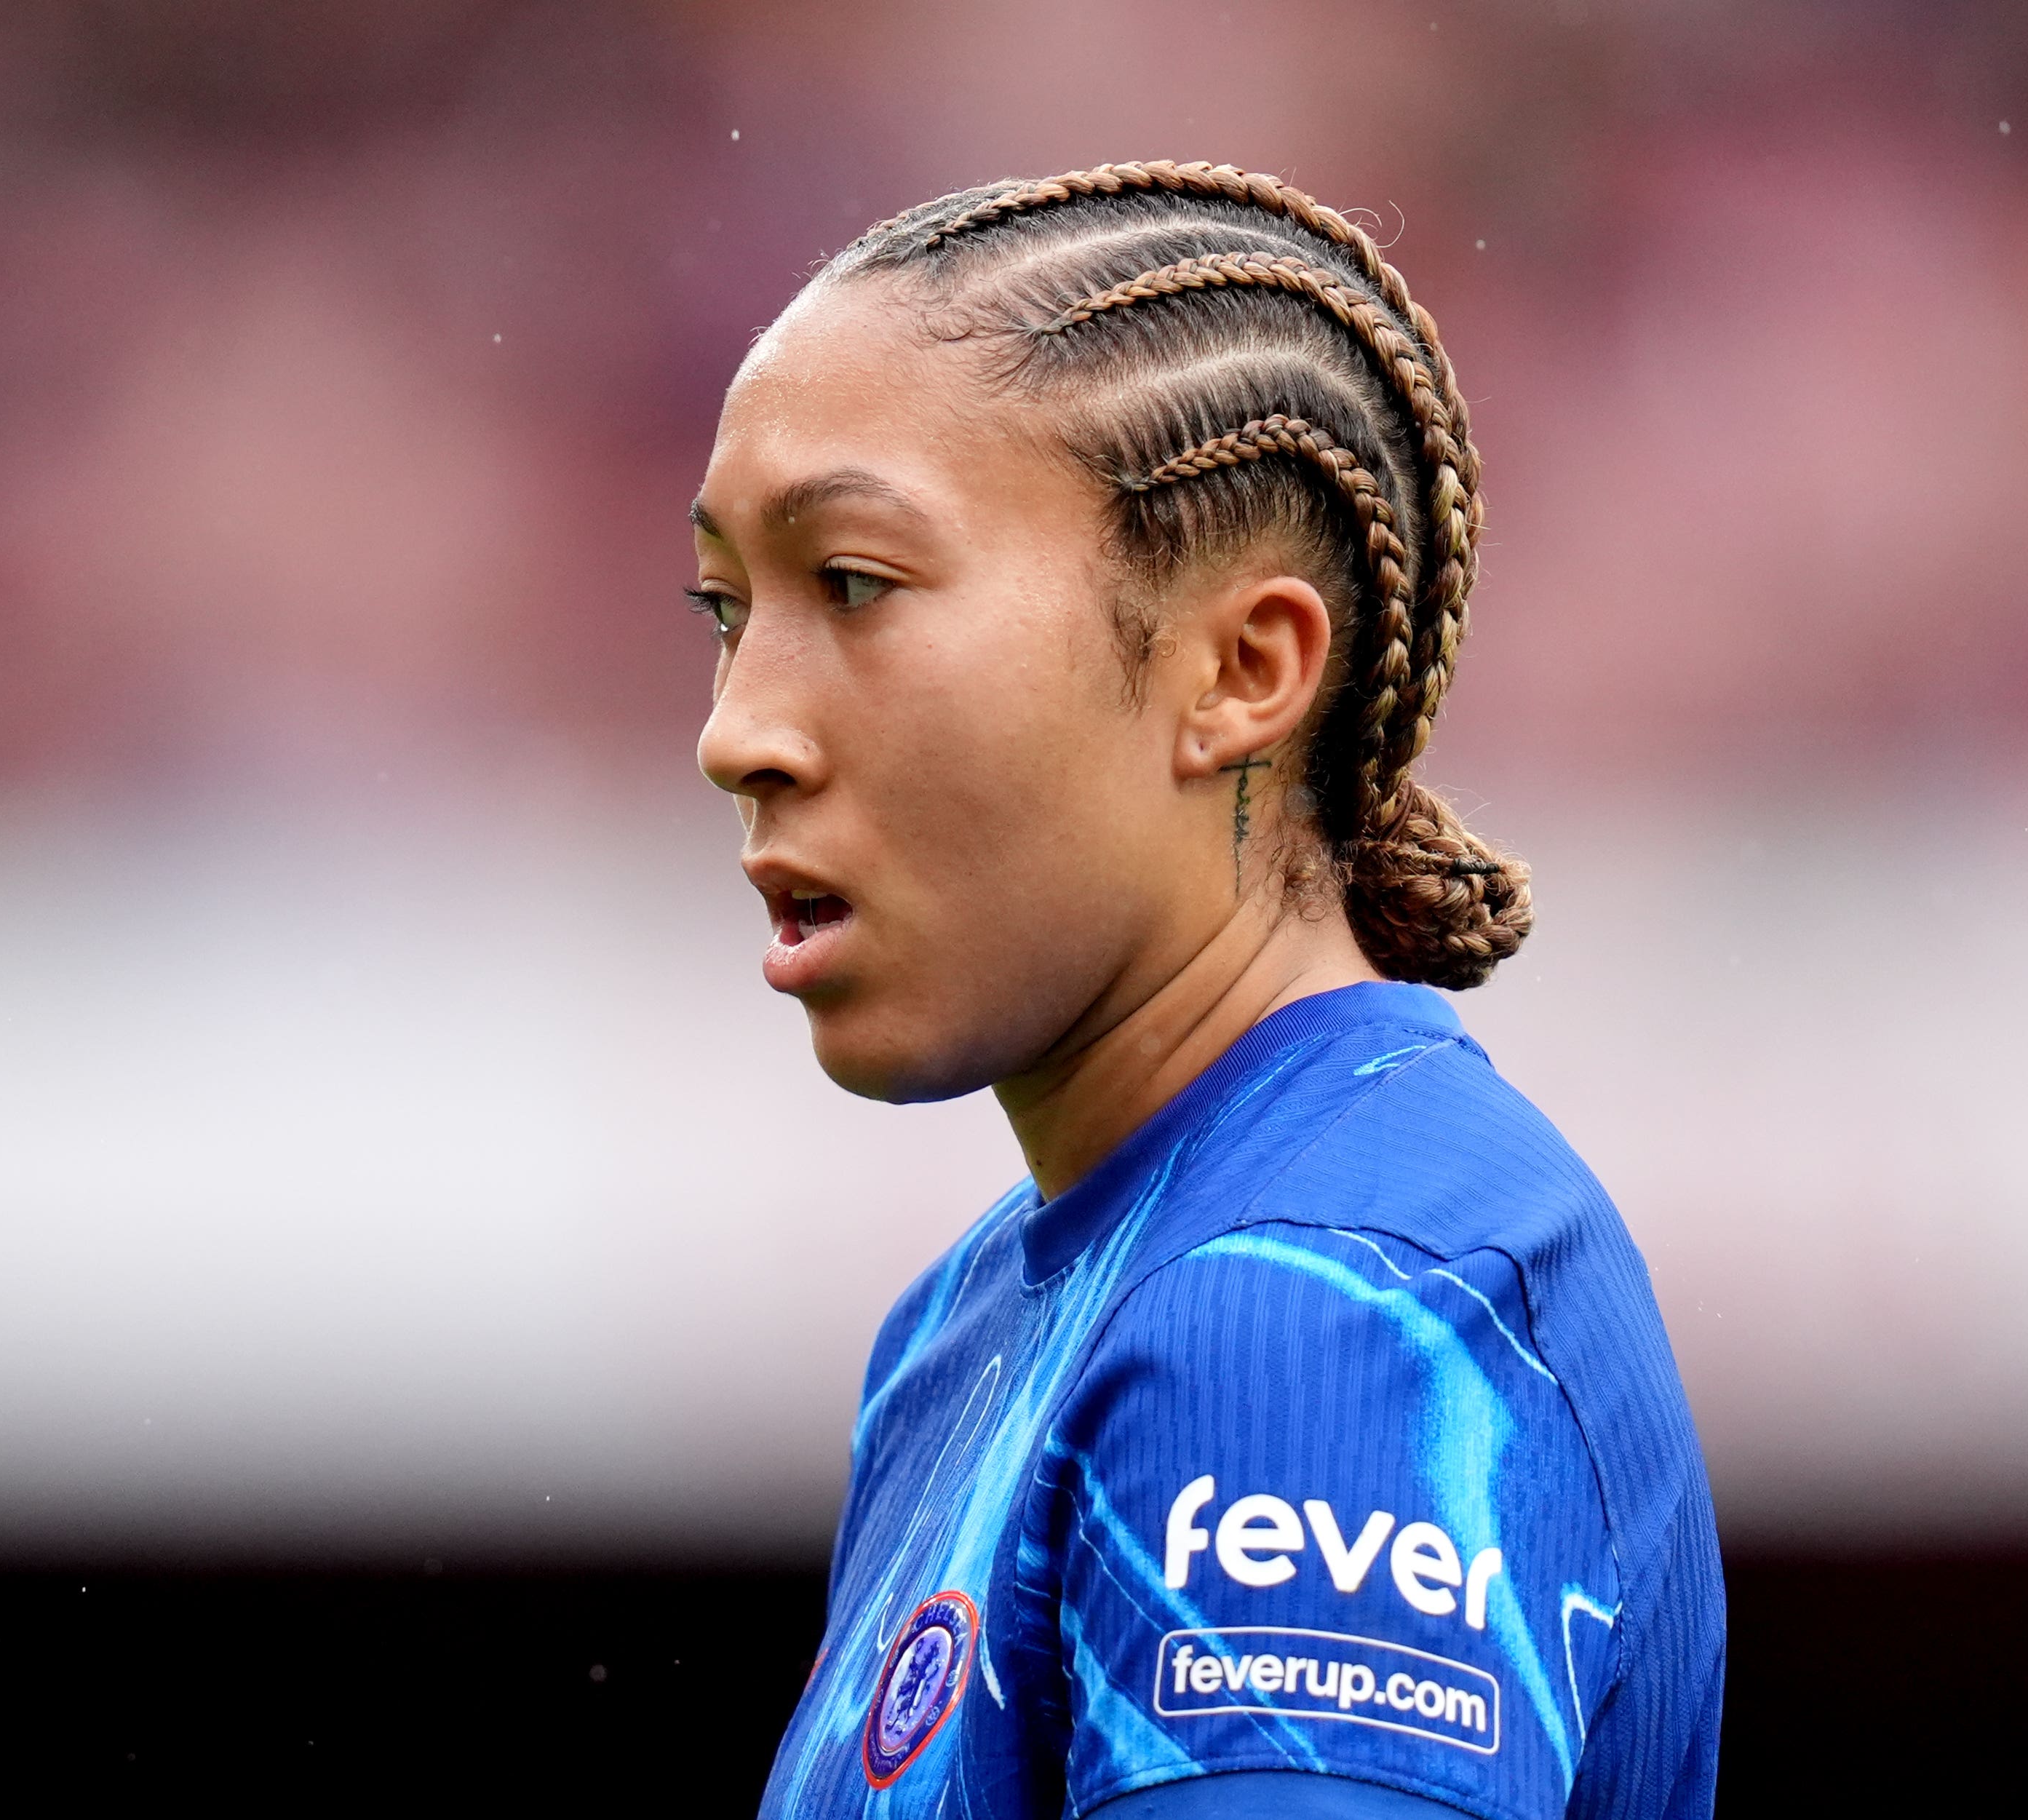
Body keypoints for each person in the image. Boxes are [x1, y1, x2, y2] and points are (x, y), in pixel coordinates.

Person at [687, 161, 1720, 1820]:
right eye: (727, 610)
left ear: (1240, 670)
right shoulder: (975, 1327)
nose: (738, 730)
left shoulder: (1317, 1316)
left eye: (856, 586)